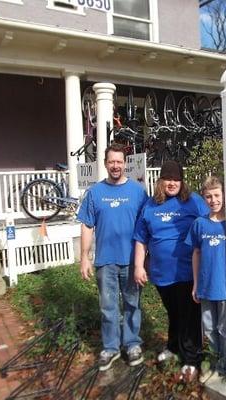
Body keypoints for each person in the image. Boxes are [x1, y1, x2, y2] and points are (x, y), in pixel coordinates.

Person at [134, 160, 210, 380]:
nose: (172, 183)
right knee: (174, 312)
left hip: (188, 272)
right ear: (161, 181)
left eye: (177, 179)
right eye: (168, 179)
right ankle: (174, 347)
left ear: (182, 181)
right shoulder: (150, 205)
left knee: (189, 315)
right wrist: (139, 266)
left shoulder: (193, 201)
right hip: (161, 273)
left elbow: (212, 220)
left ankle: (191, 359)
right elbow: (141, 239)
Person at [77, 143, 148, 371]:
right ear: (105, 164)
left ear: (124, 163)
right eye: (111, 162)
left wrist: (146, 260)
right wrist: (84, 257)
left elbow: (146, 228)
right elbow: (87, 226)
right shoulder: (95, 193)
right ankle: (110, 347)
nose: (115, 166)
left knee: (132, 303)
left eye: (119, 161)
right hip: (105, 261)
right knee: (108, 307)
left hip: (131, 261)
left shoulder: (138, 192)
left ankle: (132, 344)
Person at [185, 176, 226, 383]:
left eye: (217, 195)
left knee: (225, 329)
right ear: (204, 199)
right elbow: (196, 253)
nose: (213, 200)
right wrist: (196, 283)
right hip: (205, 286)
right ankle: (214, 362)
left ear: (224, 195)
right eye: (208, 197)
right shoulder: (199, 224)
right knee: (210, 328)